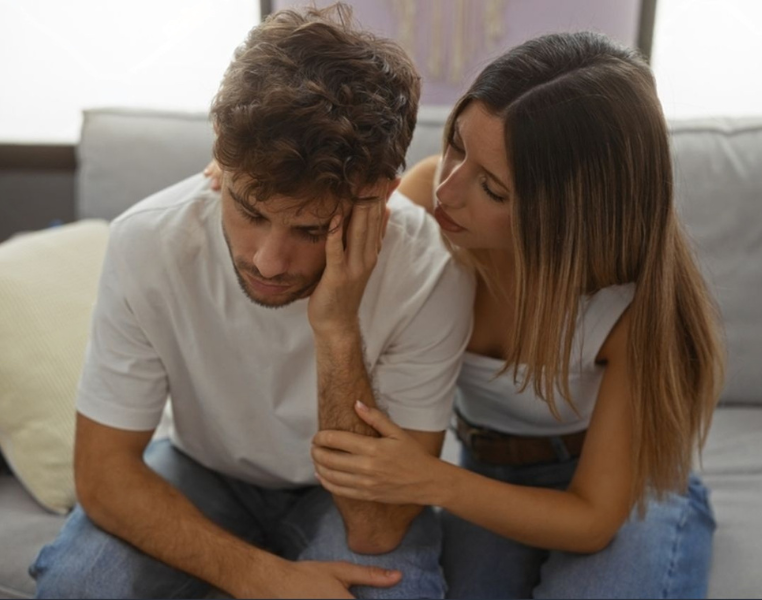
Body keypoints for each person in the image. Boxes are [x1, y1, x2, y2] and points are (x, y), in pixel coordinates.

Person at [30, 5, 474, 599]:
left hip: (339, 502)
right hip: (202, 470)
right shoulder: (149, 241)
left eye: (311, 230)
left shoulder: (431, 272)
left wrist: (337, 327)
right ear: (221, 158)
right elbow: (103, 474)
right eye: (249, 211)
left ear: (379, 195)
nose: (267, 261)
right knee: (80, 587)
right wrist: (262, 577)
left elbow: (375, 526)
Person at [307, 31, 725, 599]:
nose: (449, 190)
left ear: (569, 216)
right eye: (457, 145)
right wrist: (253, 170)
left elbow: (591, 519)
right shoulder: (427, 197)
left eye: (493, 189)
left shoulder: (634, 308)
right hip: (485, 470)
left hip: (626, 488)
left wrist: (431, 480)